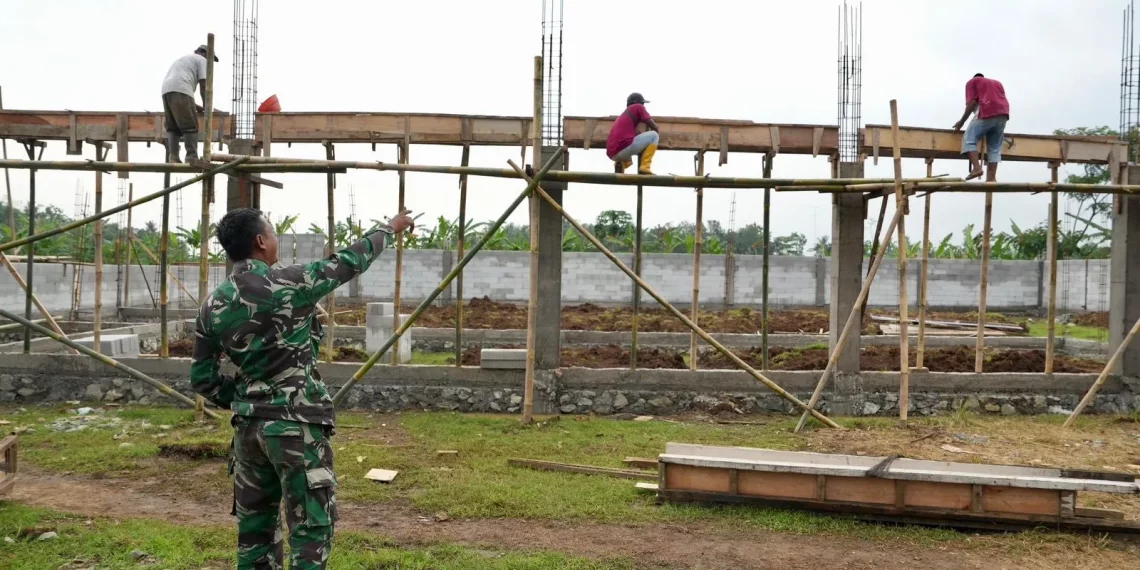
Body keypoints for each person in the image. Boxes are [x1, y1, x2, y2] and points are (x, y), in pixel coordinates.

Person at [191, 208, 415, 569]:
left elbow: (202, 379)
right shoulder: (292, 283)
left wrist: (248, 398)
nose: (277, 240)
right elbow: (349, 261)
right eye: (274, 234)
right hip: (296, 430)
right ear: (261, 242)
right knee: (310, 530)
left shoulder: (212, 304)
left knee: (254, 534)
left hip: (247, 433)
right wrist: (390, 228)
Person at [161, 45, 216, 164]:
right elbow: (204, 86)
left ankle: (173, 157)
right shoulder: (202, 60)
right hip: (182, 89)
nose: (211, 63)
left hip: (166, 91)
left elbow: (179, 97)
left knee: (173, 127)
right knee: (190, 126)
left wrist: (196, 107)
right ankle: (191, 157)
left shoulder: (184, 60)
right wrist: (208, 107)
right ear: (204, 53)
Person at [952, 73, 1010, 182]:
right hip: (1003, 114)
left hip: (987, 110)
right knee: (994, 148)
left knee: (968, 140)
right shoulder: (997, 83)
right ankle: (991, 178)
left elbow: (972, 103)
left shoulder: (972, 82)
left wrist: (961, 122)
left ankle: (977, 168)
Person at [606, 93, 660, 174]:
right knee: (654, 135)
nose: (643, 106)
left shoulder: (623, 118)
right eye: (643, 103)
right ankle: (645, 167)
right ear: (637, 103)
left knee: (629, 154)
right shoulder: (638, 107)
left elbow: (637, 136)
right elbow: (654, 127)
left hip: (613, 154)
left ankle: (621, 164)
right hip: (623, 147)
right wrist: (656, 142)